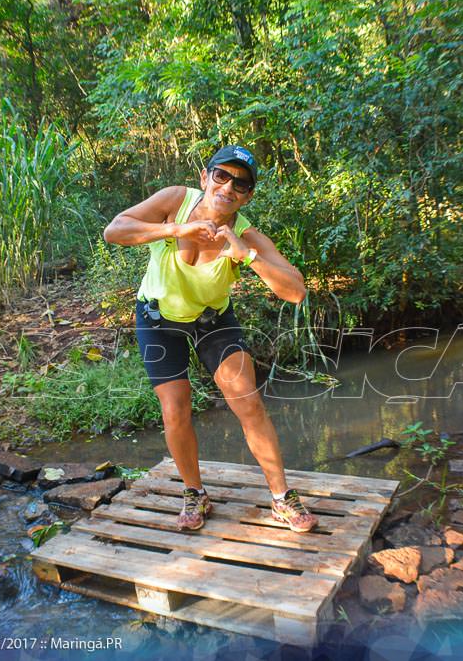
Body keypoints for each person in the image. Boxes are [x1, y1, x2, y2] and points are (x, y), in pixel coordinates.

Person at [102, 145, 318, 533]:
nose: (229, 187)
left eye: (241, 183)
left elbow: (297, 291)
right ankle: (194, 492)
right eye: (222, 176)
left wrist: (247, 256)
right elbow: (114, 230)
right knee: (175, 408)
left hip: (213, 321)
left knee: (248, 403)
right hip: (157, 319)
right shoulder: (175, 201)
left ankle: (281, 498)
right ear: (205, 177)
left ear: (248, 195)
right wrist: (175, 229)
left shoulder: (247, 234)